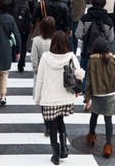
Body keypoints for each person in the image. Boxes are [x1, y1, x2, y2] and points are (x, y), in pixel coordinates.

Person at [34, 30, 82, 165]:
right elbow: (79, 74)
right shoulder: (71, 56)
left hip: (49, 97)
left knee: (53, 125)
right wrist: (77, 90)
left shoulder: (45, 57)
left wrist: (37, 98)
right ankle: (64, 149)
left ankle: (55, 154)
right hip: (65, 96)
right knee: (61, 121)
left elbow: (40, 80)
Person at [83, 37, 115, 157]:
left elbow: (88, 81)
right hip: (109, 94)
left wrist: (87, 97)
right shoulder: (112, 59)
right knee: (108, 120)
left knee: (94, 116)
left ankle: (91, 135)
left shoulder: (92, 61)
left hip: (96, 94)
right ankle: (108, 146)